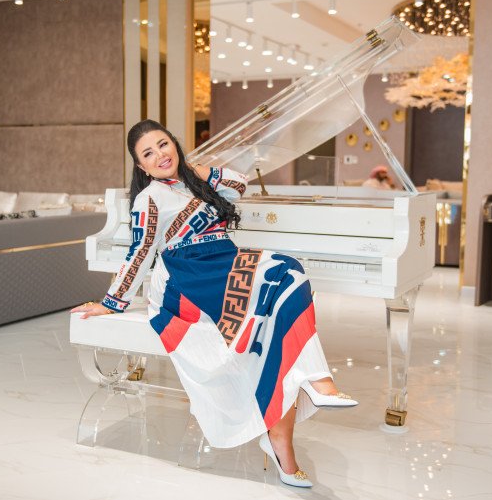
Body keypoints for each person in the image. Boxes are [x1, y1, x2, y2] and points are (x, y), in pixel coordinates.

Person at [72, 120, 357, 488]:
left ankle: (286, 432)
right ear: (140, 166)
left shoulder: (195, 181)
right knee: (283, 275)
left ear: (174, 143)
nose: (160, 155)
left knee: (287, 284)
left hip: (224, 264)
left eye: (163, 145)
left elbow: (240, 184)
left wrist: (195, 170)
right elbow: (140, 251)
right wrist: (112, 302)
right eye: (148, 153)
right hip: (188, 277)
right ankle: (317, 389)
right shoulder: (149, 198)